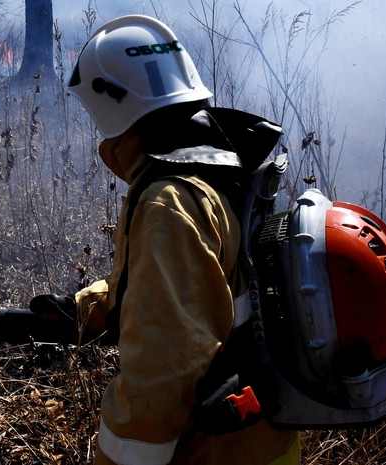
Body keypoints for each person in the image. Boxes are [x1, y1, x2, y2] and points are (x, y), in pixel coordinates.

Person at [30, 14, 301, 465]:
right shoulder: (221, 165)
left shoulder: (168, 202)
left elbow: (160, 378)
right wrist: (86, 308)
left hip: (214, 454)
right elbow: (194, 287)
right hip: (264, 444)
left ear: (113, 105)